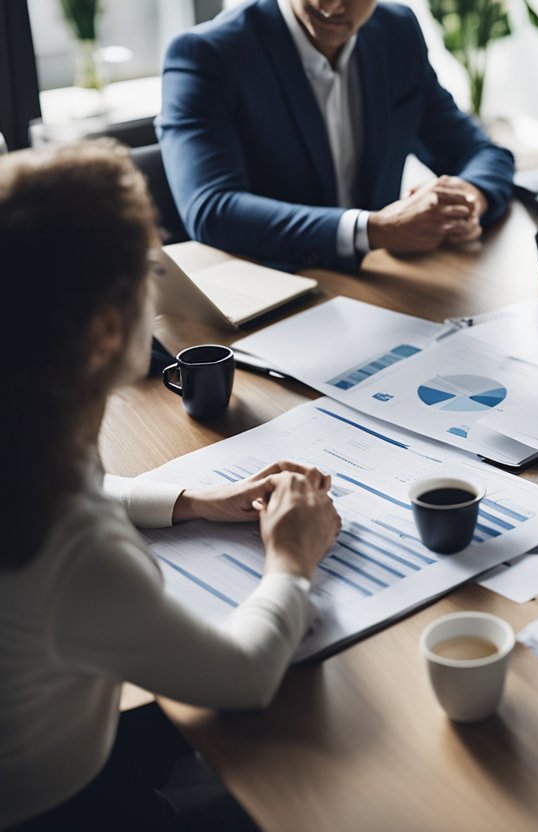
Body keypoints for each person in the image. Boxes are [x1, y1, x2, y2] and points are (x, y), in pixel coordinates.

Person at [0, 140, 342, 829]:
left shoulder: (30, 417)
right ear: (104, 330)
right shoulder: (79, 554)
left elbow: (69, 490)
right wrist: (292, 559)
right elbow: (242, 676)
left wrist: (188, 502)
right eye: (150, 274)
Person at [157, 0, 515, 273]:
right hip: (274, 295)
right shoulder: (206, 55)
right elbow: (212, 209)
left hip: (383, 283)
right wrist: (376, 230)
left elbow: (479, 152)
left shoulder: (397, 31)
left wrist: (467, 200)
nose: (330, 6)